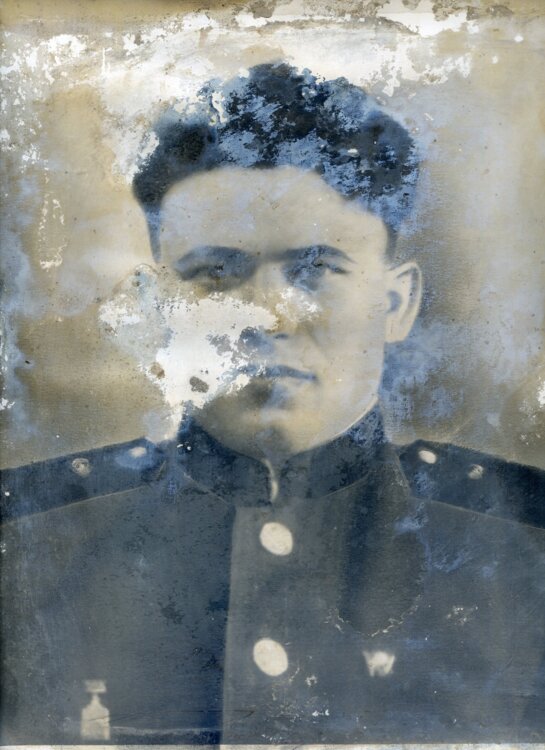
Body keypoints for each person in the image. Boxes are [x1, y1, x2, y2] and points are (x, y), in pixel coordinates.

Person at [2, 62, 545, 745]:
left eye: (316, 270)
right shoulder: (28, 543)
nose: (267, 315)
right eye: (214, 273)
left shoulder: (522, 546)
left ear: (395, 302)